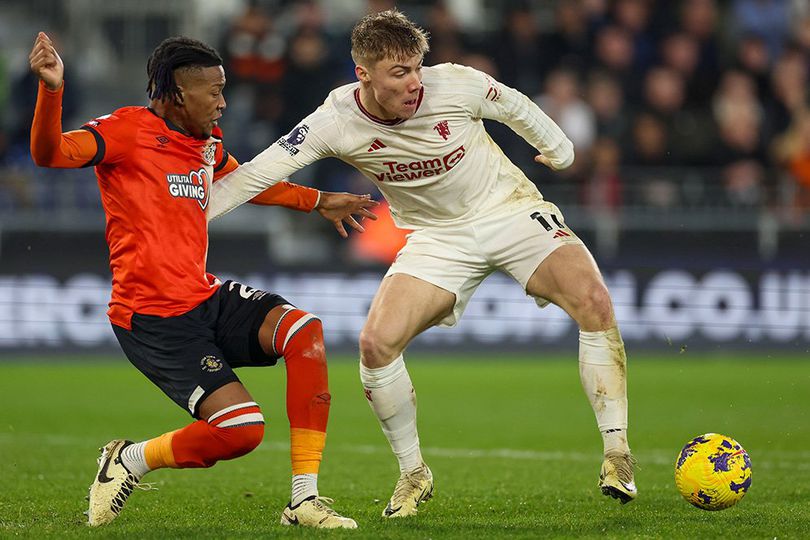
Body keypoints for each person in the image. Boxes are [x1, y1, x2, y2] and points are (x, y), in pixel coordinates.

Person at [209, 9, 636, 517]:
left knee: (593, 300)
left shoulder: (454, 83)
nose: (415, 82)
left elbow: (516, 105)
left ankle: (617, 452)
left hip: (509, 210)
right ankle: (413, 473)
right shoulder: (335, 122)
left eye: (417, 67)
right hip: (438, 238)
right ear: (362, 75)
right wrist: (191, 213)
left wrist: (559, 150)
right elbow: (257, 173)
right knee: (375, 344)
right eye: (399, 72)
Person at [28, 32, 375, 529]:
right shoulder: (126, 131)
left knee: (305, 332)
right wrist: (52, 90)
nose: (223, 102)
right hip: (152, 319)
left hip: (203, 296)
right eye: (212, 91)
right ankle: (130, 460)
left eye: (223, 89)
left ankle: (304, 500)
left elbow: (251, 182)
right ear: (175, 92)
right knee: (241, 433)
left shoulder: (205, 145)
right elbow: (49, 153)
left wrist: (319, 201)